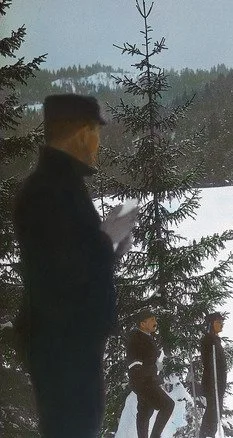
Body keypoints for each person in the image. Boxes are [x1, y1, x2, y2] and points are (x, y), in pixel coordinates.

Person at [12, 94, 137, 436]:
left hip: (70, 345)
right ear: (83, 133)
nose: (98, 143)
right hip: (63, 349)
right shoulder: (48, 192)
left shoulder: (60, 187)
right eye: (97, 133)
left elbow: (72, 259)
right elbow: (62, 270)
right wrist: (105, 239)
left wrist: (111, 248)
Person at [128, 310, 174, 438]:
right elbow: (135, 366)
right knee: (168, 405)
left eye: (155, 319)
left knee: (144, 413)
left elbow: (147, 360)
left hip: (146, 381)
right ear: (142, 324)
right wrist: (154, 368)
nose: (155, 322)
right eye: (152, 319)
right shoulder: (137, 339)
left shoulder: (147, 338)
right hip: (143, 382)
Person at [200, 312, 227, 438]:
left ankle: (208, 435)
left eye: (222, 322)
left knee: (215, 412)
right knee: (213, 412)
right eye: (218, 322)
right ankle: (205, 436)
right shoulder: (208, 339)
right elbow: (209, 362)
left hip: (218, 382)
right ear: (211, 324)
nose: (221, 324)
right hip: (212, 381)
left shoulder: (215, 340)